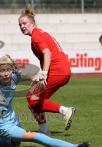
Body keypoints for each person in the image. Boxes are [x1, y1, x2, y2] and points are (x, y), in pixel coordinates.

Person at [0, 55, 89, 147]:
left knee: (14, 143)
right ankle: (75, 146)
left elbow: (24, 76)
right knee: (35, 137)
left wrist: (35, 78)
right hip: (2, 126)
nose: (5, 73)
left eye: (8, 70)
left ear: (12, 69)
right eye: (2, 71)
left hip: (13, 119)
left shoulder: (14, 76)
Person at [18, 6, 76, 135]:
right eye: (20, 24)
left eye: (24, 23)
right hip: (60, 69)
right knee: (33, 101)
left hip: (58, 70)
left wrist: (43, 74)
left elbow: (47, 53)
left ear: (32, 23)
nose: (22, 26)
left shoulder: (36, 36)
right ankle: (45, 131)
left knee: (32, 98)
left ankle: (66, 111)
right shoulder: (39, 33)